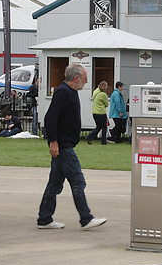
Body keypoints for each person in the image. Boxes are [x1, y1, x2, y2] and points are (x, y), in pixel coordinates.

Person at [38, 65, 107, 231]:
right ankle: (86, 218)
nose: (86, 81)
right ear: (76, 78)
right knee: (77, 181)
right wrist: (53, 142)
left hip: (64, 145)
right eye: (84, 78)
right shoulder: (63, 92)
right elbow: (50, 118)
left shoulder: (70, 92)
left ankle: (44, 218)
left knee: (54, 184)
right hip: (63, 146)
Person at [87, 79, 110, 144]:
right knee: (104, 127)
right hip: (101, 112)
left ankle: (90, 137)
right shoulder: (103, 94)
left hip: (94, 112)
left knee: (98, 126)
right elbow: (106, 104)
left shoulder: (95, 91)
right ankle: (103, 141)